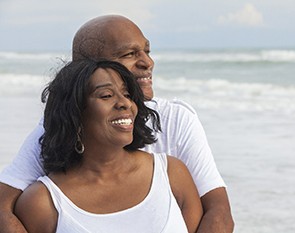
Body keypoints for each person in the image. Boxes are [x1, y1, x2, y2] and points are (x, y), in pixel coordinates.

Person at [0, 15, 234, 233]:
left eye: (147, 50)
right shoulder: (54, 135)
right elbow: (2, 206)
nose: (147, 62)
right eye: (129, 54)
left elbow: (219, 213)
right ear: (86, 70)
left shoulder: (175, 125)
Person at [14, 59, 203, 233]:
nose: (124, 103)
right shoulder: (44, 203)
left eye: (127, 94)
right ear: (75, 113)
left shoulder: (171, 174)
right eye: (106, 95)